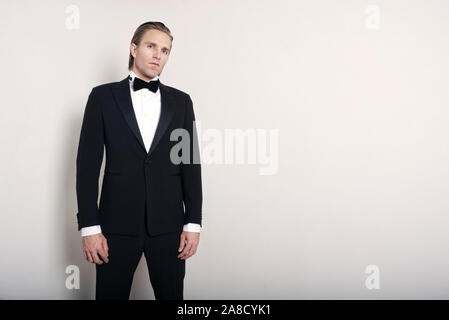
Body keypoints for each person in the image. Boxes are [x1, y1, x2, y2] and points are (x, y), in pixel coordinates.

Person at [75, 21, 203, 300]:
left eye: (165, 50)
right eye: (151, 46)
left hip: (169, 228)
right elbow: (86, 168)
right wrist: (90, 228)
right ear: (134, 49)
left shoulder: (182, 102)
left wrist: (193, 223)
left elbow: (190, 165)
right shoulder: (102, 97)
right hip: (114, 228)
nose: (159, 55)